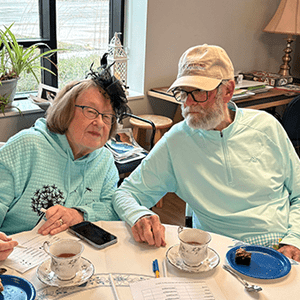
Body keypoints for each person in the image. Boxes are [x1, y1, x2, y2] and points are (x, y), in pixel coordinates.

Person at [113, 44, 300, 262]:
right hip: (219, 254)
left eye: (199, 92)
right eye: (183, 92)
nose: (188, 103)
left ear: (228, 91)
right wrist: (140, 215)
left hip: (280, 246)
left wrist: (294, 239)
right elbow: (125, 193)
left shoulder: (267, 127)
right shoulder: (177, 140)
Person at [0, 60, 130, 259]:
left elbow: (111, 207)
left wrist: (78, 214)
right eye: (91, 111)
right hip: (16, 257)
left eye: (107, 116)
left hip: (79, 257)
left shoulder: (104, 161)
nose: (99, 122)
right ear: (66, 110)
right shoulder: (26, 146)